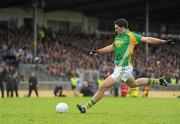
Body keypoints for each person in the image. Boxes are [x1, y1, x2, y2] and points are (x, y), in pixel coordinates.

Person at [77, 18, 173, 113]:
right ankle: (158, 81)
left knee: (103, 87)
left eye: (117, 28)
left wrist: (164, 41)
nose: (115, 30)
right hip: (119, 68)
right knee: (134, 84)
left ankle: (85, 107)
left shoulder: (131, 35)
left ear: (122, 27)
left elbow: (148, 39)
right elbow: (112, 47)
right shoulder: (118, 37)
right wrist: (98, 51)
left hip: (124, 69)